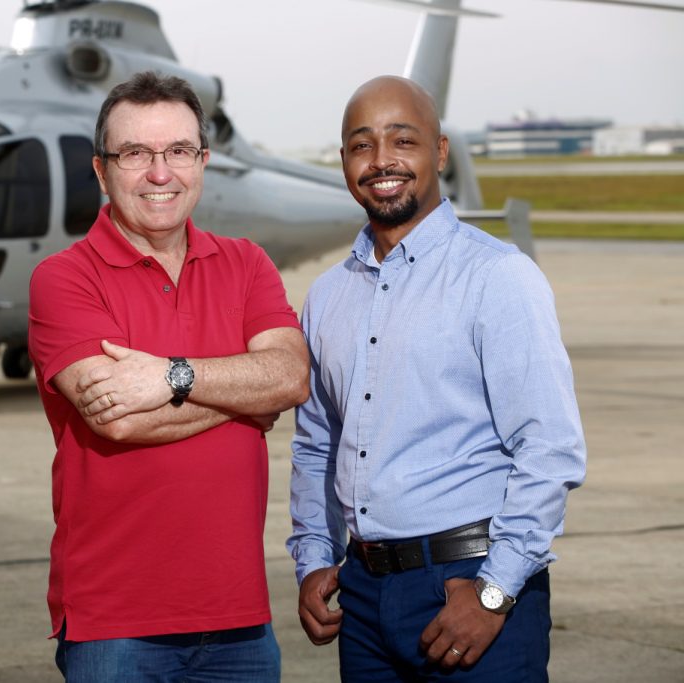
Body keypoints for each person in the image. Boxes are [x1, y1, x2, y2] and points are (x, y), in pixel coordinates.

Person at [287, 75, 587, 682]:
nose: (381, 161)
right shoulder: (327, 296)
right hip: (363, 597)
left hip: (469, 585)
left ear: (440, 152)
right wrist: (314, 557)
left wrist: (495, 592)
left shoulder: (497, 277)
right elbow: (318, 443)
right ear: (344, 160)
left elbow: (549, 448)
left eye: (403, 140)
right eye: (362, 145)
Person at [28, 71, 309, 682]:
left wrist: (171, 377)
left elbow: (290, 375)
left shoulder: (246, 263)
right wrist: (245, 395)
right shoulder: (64, 278)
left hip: (241, 625)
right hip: (115, 627)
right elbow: (117, 419)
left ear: (203, 162)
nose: (161, 173)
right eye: (135, 153)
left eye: (179, 150)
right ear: (102, 171)